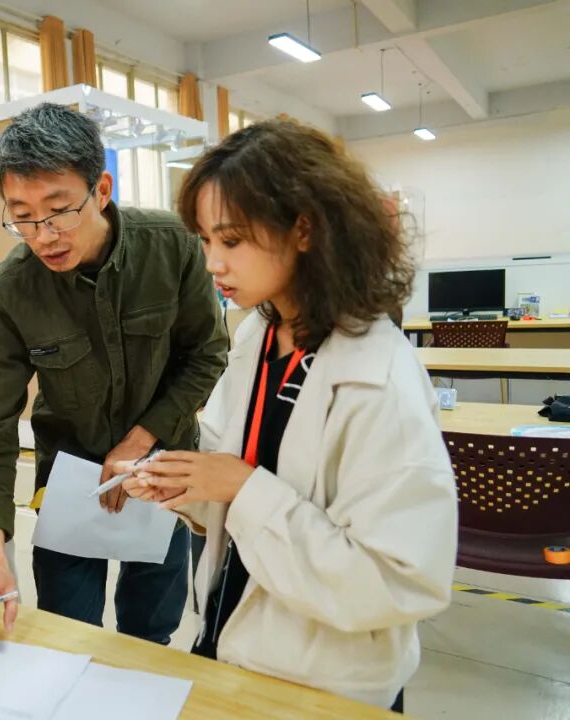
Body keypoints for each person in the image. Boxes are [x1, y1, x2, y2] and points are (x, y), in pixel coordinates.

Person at [119, 120, 457, 712]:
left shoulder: (379, 378)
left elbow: (397, 580)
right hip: (235, 643)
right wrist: (188, 485)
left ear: (304, 228)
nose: (212, 263)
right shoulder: (259, 335)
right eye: (206, 240)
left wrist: (241, 487)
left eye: (231, 240)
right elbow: (237, 468)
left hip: (325, 684)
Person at [0, 103, 229, 652]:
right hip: (69, 481)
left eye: (60, 211)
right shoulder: (9, 291)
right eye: (23, 217)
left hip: (162, 471)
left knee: (150, 630)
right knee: (67, 633)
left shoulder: (171, 246)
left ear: (101, 190)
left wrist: (139, 440)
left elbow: (207, 354)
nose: (43, 235)